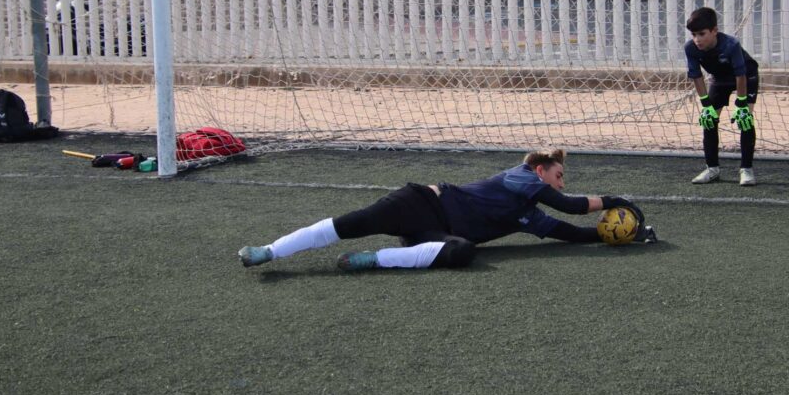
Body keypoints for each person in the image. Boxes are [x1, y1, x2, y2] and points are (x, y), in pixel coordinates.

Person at [237, 148, 657, 272]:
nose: (562, 181)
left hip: (432, 235)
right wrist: (618, 200)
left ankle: (374, 260)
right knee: (350, 223)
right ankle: (269, 252)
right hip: (419, 202)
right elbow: (569, 205)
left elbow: (570, 230)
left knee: (461, 252)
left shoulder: (527, 212)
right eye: (559, 174)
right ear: (541, 168)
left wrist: (622, 234)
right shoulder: (521, 176)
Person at [684, 7, 759, 186]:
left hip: (746, 77)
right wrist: (706, 106)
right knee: (709, 119)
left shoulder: (731, 45)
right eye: (694, 34)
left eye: (702, 34)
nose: (697, 39)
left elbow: (741, 75)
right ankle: (712, 169)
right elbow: (696, 76)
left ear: (714, 31)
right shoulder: (691, 48)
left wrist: (741, 104)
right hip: (719, 79)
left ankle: (746, 170)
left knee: (745, 120)